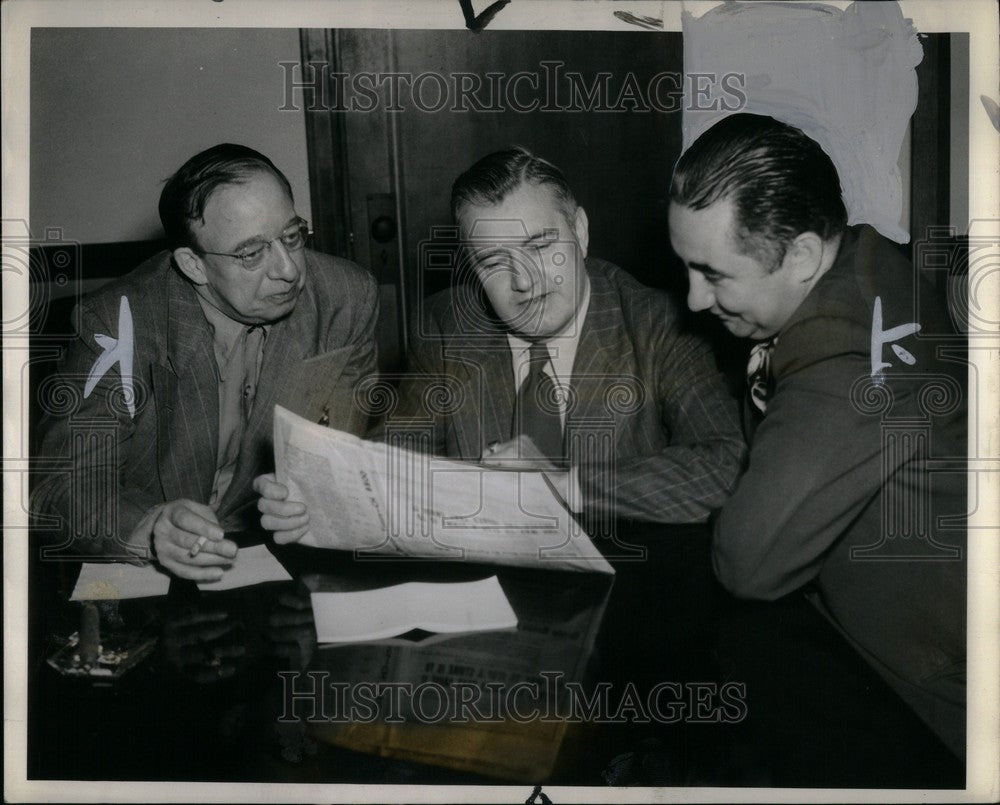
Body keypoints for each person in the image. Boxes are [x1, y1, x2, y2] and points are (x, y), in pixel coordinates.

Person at [668, 113, 966, 759]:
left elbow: (748, 566)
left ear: (801, 253)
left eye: (714, 273)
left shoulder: (844, 364)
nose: (693, 299)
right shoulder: (866, 255)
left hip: (924, 694)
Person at [257, 147, 745, 542]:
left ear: (579, 230)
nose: (526, 283)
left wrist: (562, 485)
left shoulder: (661, 323)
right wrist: (320, 497)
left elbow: (726, 467)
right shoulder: (446, 325)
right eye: (493, 263)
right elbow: (395, 462)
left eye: (539, 247)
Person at [33, 144, 378, 582]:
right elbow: (62, 485)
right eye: (251, 253)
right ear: (193, 264)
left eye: (292, 237)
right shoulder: (120, 322)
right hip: (150, 571)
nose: (289, 270)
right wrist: (151, 528)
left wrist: (323, 494)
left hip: (282, 563)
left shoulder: (346, 298)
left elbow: (346, 454)